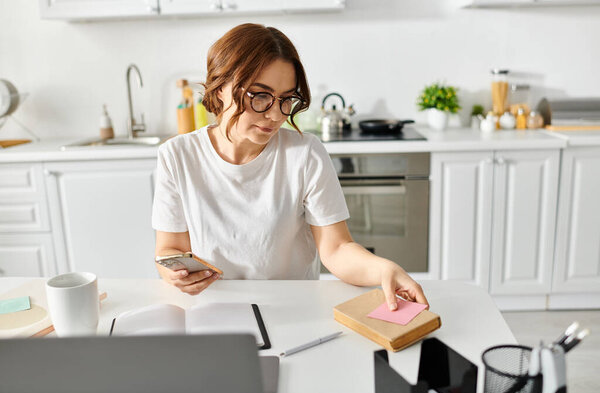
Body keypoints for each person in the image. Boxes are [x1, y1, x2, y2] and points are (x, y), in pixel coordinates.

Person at [152, 23, 428, 311]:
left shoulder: (305, 153)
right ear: (221, 87)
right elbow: (168, 249)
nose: (275, 114)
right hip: (211, 308)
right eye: (260, 96)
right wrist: (175, 273)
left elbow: (336, 249)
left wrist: (384, 270)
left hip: (293, 307)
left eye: (286, 99)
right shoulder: (177, 156)